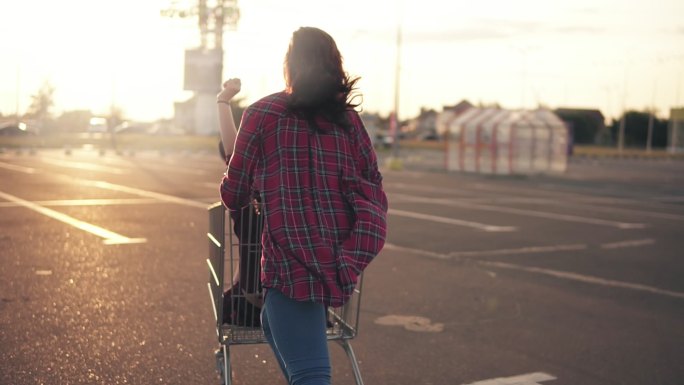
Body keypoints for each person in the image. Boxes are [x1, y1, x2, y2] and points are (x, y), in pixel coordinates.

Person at [218, 27, 387, 385]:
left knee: (311, 376)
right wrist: (347, 263)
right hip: (335, 266)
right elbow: (374, 199)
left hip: (291, 273)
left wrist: (259, 181)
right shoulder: (349, 122)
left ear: (289, 66)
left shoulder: (262, 114)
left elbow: (234, 194)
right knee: (273, 324)